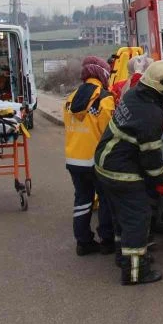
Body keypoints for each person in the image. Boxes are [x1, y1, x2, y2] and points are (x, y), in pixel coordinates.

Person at [95, 60, 163, 285]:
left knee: (121, 217)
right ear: (161, 87)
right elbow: (151, 158)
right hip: (122, 171)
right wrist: (161, 182)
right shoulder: (150, 113)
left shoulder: (134, 95)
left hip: (105, 164)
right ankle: (135, 272)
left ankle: (123, 256)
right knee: (137, 219)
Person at [63, 56, 116, 256]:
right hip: (97, 160)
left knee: (82, 200)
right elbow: (110, 131)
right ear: (102, 73)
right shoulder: (105, 98)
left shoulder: (70, 99)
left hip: (74, 160)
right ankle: (107, 241)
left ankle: (83, 242)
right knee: (105, 199)